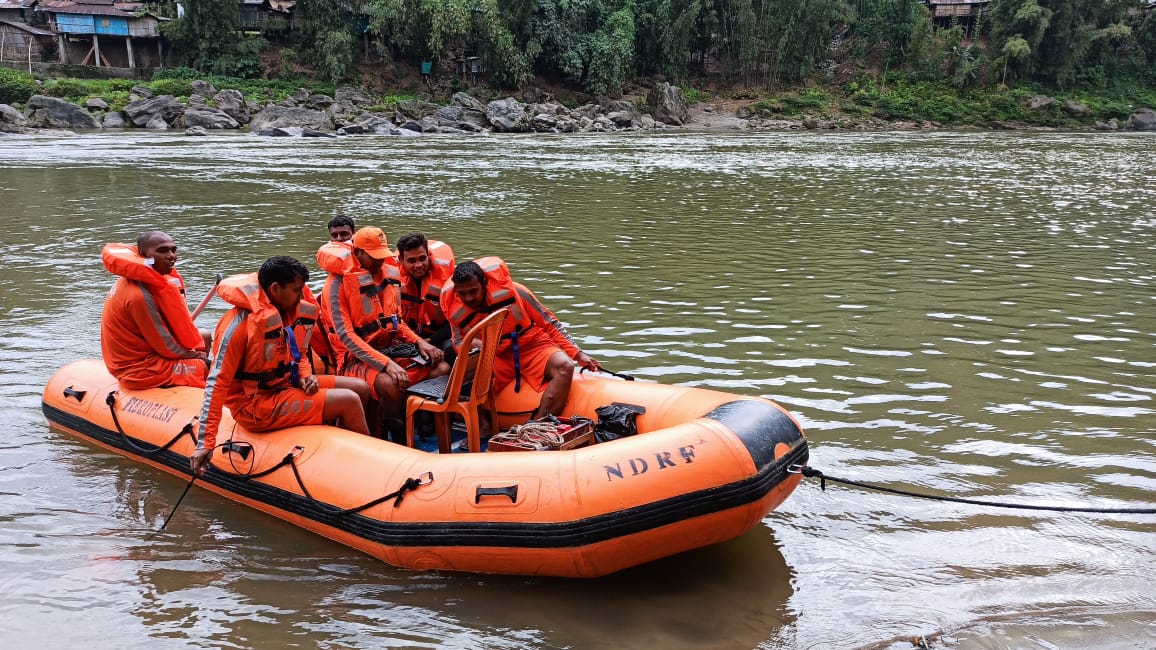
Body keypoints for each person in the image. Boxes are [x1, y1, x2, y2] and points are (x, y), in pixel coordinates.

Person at [191, 256, 372, 476]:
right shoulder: (239, 325)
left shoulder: (286, 312)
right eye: (297, 290)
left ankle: (359, 446)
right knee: (348, 400)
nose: (301, 296)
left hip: (284, 385)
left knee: (360, 387)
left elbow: (298, 355)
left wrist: (305, 376)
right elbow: (216, 383)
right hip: (254, 405)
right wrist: (205, 442)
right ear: (276, 288)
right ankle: (367, 468)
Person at [316, 226, 450, 438]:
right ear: (357, 253)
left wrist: (420, 343)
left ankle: (420, 424)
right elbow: (346, 336)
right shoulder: (336, 285)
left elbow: (397, 322)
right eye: (373, 256)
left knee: (441, 368)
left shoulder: (388, 274)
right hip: (355, 359)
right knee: (390, 383)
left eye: (381, 255)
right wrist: (386, 364)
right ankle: (397, 438)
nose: (379, 261)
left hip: (390, 348)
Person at [441, 257, 602, 420]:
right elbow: (459, 342)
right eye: (462, 293)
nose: (468, 298)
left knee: (565, 366)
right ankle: (482, 424)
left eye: (473, 291)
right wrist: (479, 347)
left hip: (532, 344)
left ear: (484, 283)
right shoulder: (453, 307)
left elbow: (549, 322)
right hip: (496, 353)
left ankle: (540, 424)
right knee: (464, 379)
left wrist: (578, 354)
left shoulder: (517, 292)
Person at [100, 231, 209, 390]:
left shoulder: (136, 282)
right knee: (205, 366)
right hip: (138, 370)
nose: (171, 256)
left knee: (204, 336)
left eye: (173, 250)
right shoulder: (139, 296)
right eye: (162, 251)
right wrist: (197, 357)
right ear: (143, 255)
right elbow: (166, 347)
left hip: (146, 355)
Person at [395, 232, 457, 365]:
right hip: (409, 335)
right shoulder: (392, 280)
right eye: (412, 261)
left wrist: (430, 341)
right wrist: (417, 342)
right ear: (401, 260)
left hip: (438, 336)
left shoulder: (448, 281)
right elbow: (395, 319)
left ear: (428, 256)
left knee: (452, 350)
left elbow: (454, 322)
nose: (418, 265)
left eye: (422, 259)